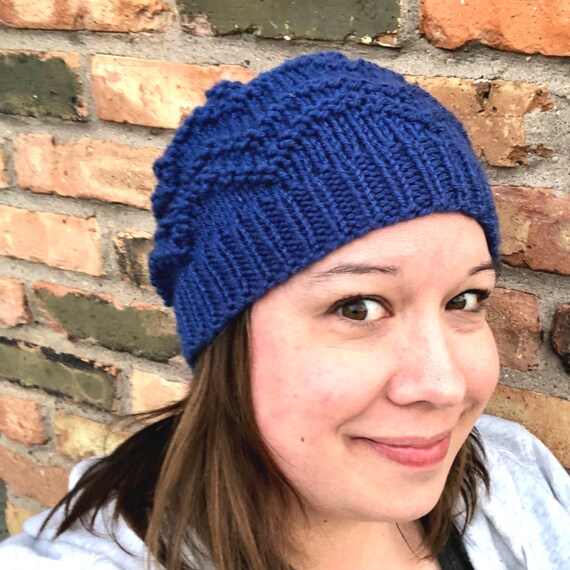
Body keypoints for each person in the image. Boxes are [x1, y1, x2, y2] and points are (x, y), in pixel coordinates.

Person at [0, 51, 569, 570]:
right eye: (358, 307)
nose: (443, 386)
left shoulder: (512, 475)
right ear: (227, 336)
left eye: (464, 300)